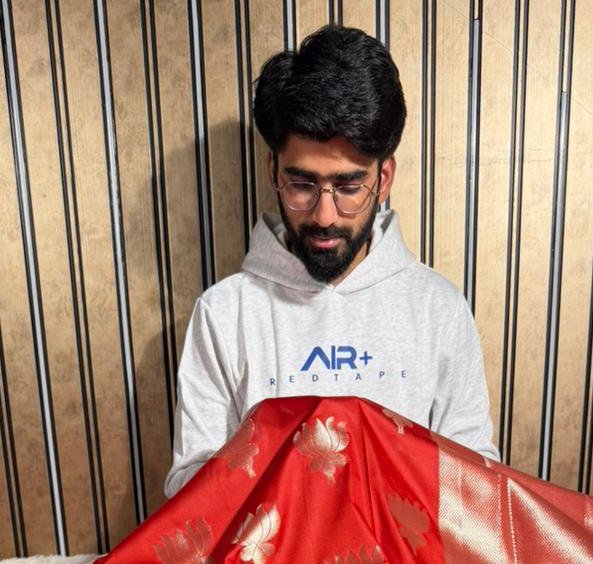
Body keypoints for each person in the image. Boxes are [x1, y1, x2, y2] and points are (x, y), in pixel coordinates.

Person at [165, 24, 499, 498]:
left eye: (348, 187)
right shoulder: (225, 314)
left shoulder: (438, 309)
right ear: (273, 171)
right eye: (302, 184)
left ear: (383, 178)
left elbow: (477, 481)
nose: (324, 216)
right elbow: (188, 496)